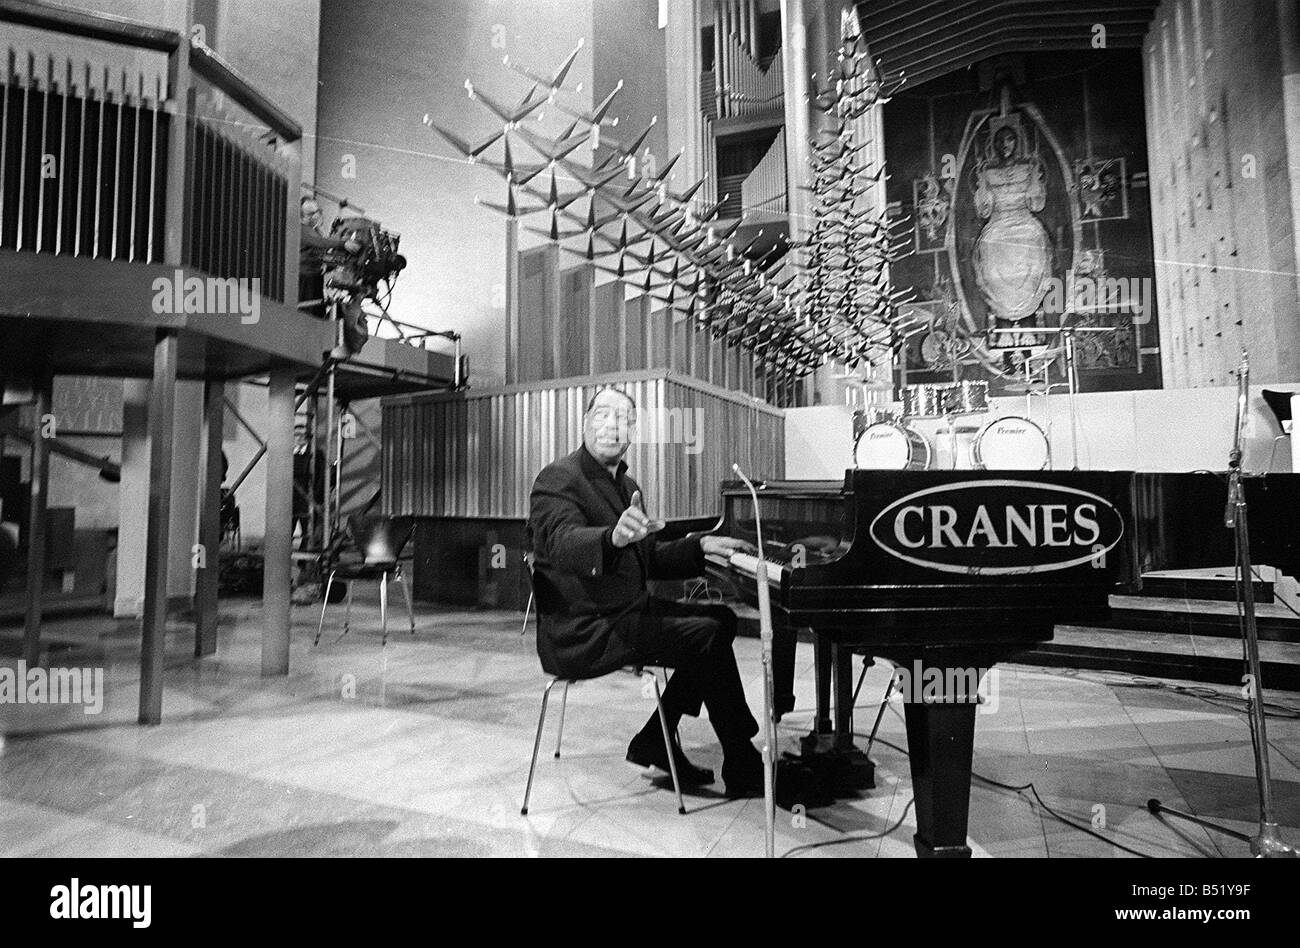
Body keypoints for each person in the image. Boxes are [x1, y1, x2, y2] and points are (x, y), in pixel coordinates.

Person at [527, 387, 766, 797]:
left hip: (627, 611)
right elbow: (562, 543)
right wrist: (609, 539)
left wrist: (700, 545)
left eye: (623, 418)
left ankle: (657, 736)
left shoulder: (626, 483)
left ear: (633, 431)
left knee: (720, 619)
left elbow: (650, 557)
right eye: (602, 414)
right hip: (587, 628)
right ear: (584, 422)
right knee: (705, 635)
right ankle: (739, 758)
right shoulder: (559, 477)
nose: (611, 425)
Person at [292, 423, 326, 550]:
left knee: (308, 533)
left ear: (308, 437)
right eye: (296, 435)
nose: (299, 438)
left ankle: (305, 563)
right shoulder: (289, 454)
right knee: (286, 532)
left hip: (308, 500)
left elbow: (321, 477)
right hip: (291, 500)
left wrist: (316, 497)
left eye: (302, 435)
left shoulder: (315, 454)